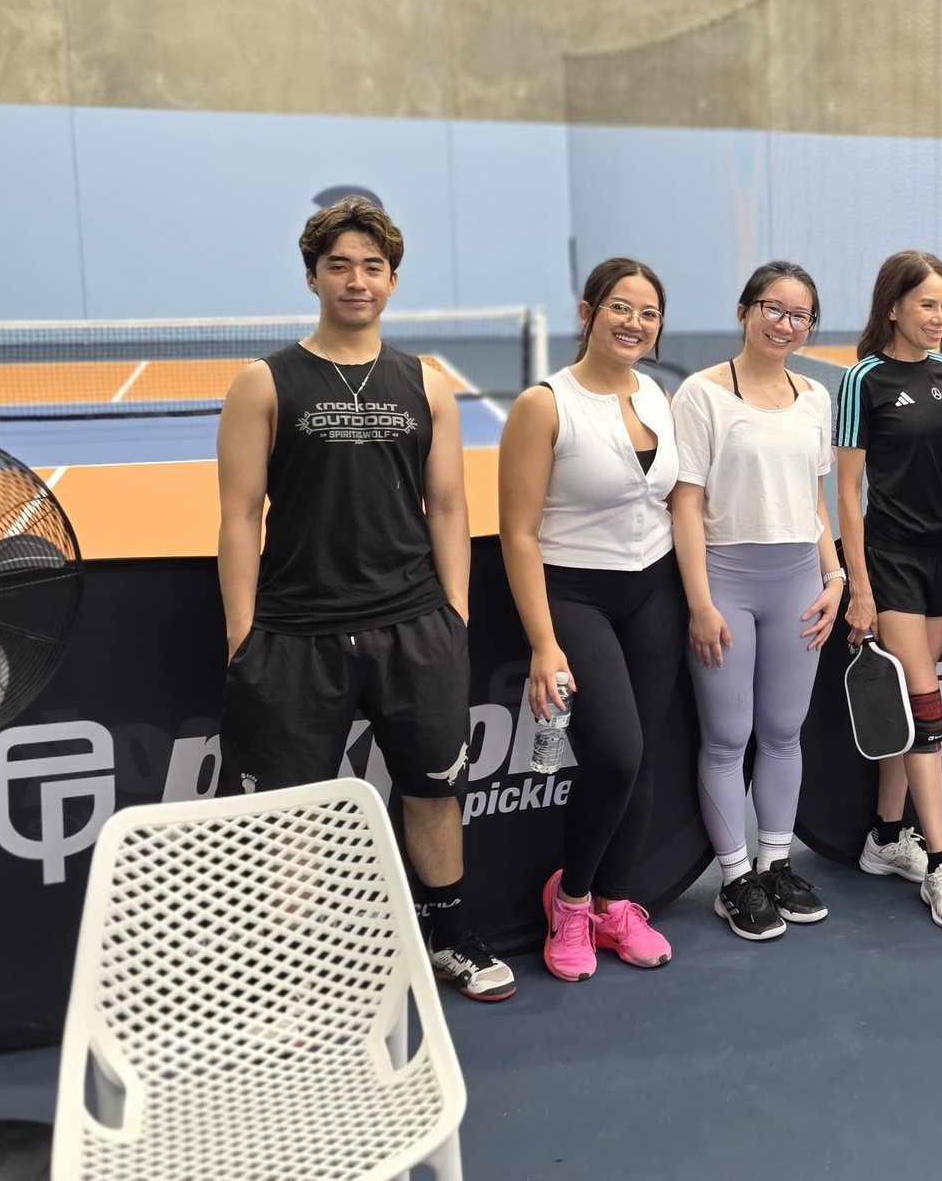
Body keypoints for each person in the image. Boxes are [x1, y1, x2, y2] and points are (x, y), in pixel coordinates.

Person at [215, 196, 512, 1002]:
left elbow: (448, 506)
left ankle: (448, 938)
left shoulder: (426, 384)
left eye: (372, 267)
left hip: (414, 629)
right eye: (340, 266)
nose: (357, 280)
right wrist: (243, 633)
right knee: (295, 819)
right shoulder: (264, 382)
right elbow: (240, 514)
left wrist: (453, 614)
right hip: (294, 636)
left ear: (391, 281)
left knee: (434, 790)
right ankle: (297, 975)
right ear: (313, 276)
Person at [496, 258, 686, 982]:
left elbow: (674, 505)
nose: (634, 323)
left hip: (655, 593)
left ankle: (614, 903)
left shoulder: (659, 398)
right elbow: (518, 532)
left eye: (648, 312)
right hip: (575, 596)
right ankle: (569, 901)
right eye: (620, 308)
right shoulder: (544, 405)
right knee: (614, 754)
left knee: (642, 760)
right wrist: (544, 643)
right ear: (587, 312)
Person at [669, 262, 847, 942]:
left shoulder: (813, 398)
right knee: (726, 737)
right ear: (745, 310)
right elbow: (686, 506)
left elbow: (814, 504)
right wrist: (700, 603)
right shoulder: (702, 395)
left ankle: (776, 864)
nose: (786, 324)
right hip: (727, 585)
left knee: (782, 732)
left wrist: (833, 581)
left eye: (801, 315)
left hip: (799, 581)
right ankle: (735, 878)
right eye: (774, 309)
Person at [833, 250, 942, 931]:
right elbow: (846, 490)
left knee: (906, 711)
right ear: (892, 306)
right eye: (927, 304)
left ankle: (887, 838)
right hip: (890, 563)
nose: (939, 317)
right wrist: (858, 587)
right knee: (926, 709)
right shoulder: (863, 379)